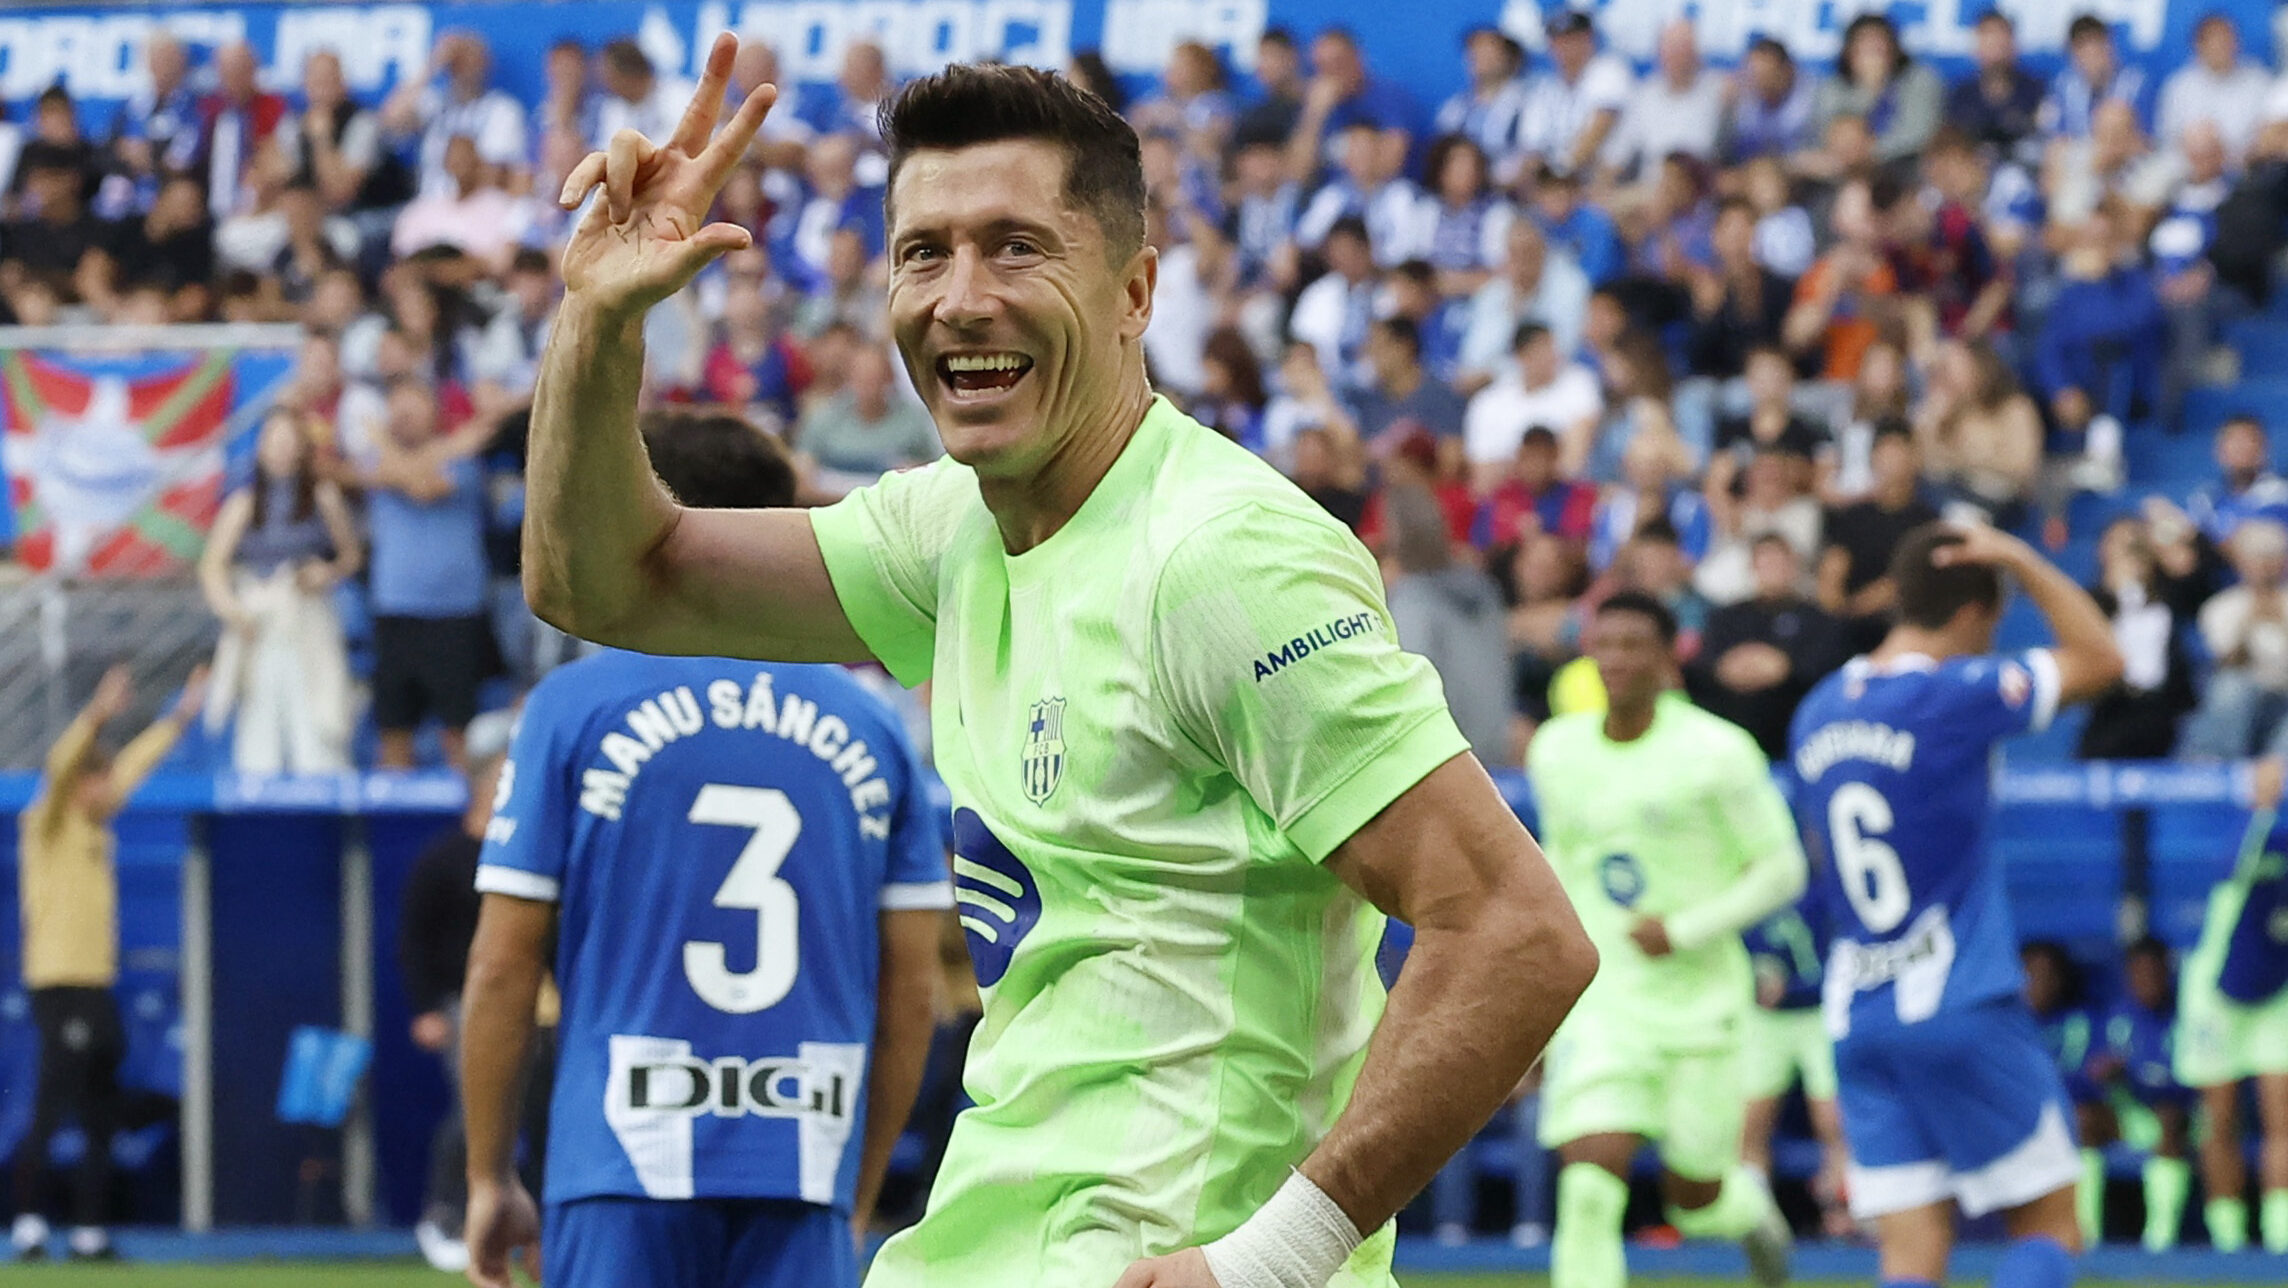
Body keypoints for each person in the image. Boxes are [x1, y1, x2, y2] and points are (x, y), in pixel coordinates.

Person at [528, 42, 1596, 1288]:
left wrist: (1269, 1260)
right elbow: (601, 578)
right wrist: (596, 316)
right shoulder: (950, 529)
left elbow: (1515, 929)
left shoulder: (1217, 560)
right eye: (923, 251)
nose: (959, 296)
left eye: (1015, 245)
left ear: (1136, 292)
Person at [458, 413, 948, 1288]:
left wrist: (488, 1178)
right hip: (803, 1159)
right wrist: (856, 1189)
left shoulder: (573, 707)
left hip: (618, 1163)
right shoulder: (874, 724)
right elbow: (912, 991)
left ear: (650, 521)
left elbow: (501, 966)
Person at [1790, 523, 2124, 1288]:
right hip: (1957, 997)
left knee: (1911, 1257)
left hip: (1858, 1015)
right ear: (1975, 612)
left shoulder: (1818, 709)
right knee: (2051, 1226)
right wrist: (2024, 558)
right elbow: (2103, 659)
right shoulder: (1948, 694)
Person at [1527, 591, 1806, 1288]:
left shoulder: (1717, 752)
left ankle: (1752, 1217)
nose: (1616, 659)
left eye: (1632, 645)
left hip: (1701, 1004)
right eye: (1604, 643)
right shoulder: (1557, 750)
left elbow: (1783, 869)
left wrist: (1684, 930)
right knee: (1588, 1186)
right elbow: (1561, 860)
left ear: (1668, 657)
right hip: (1604, 1003)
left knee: (1696, 1203)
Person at [10, 664, 206, 1263]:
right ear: (80, 786)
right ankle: (27, 1223)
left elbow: (132, 767)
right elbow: (63, 764)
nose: (112, 792)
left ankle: (90, 1230)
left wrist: (174, 721)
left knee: (98, 1113)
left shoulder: (97, 827)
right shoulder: (46, 824)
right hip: (59, 986)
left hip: (97, 988)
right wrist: (95, 715)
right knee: (51, 1106)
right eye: (101, 784)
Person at [401, 711, 519, 1274]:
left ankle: (517, 1213)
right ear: (478, 782)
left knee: (525, 1108)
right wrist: (424, 1006)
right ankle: (444, 1211)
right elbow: (413, 939)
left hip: (521, 1002)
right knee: (473, 1108)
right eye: (499, 776)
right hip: (460, 999)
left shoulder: (523, 850)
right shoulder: (443, 859)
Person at [197, 406, 362, 774]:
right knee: (259, 725)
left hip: (308, 619)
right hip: (260, 623)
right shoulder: (243, 502)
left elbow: (350, 556)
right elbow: (212, 566)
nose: (283, 449)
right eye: (274, 440)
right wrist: (232, 611)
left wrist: (327, 572)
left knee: (317, 725)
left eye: (290, 440)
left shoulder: (323, 497)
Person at [2172, 754, 2288, 1254]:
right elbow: (2232, 865)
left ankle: (2282, 1241)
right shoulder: (2258, 832)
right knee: (2218, 1118)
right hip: (2216, 990)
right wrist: (2260, 806)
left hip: (2277, 992)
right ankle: (2227, 1244)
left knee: (2281, 1114)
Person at [1739, 892, 1853, 1239]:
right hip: (1764, 1020)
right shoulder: (1740, 892)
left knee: (1833, 1121)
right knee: (1750, 1123)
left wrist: (1798, 985)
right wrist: (1753, 981)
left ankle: (1843, 1216)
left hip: (1818, 1011)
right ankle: (1756, 1224)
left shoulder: (1819, 890)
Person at [2089, 937, 2194, 1251]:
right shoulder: (2115, 1017)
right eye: (2139, 973)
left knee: (2169, 1118)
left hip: (2186, 1119)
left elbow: (2198, 1084)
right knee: (2084, 1121)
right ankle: (2085, 1240)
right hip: (2131, 1114)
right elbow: (2088, 1077)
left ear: (2168, 972)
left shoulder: (2187, 1014)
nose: (2147, 981)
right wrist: (2107, 1076)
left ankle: (2160, 1242)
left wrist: (2140, 1081)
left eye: (2154, 972)